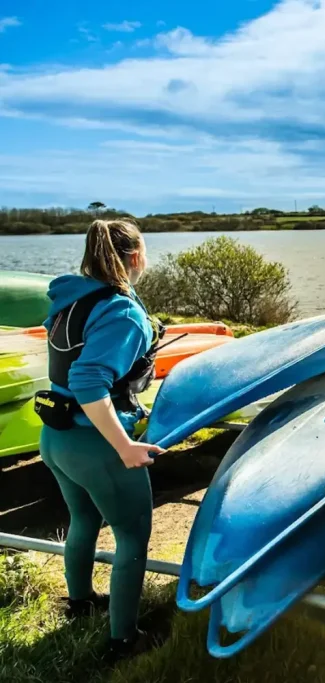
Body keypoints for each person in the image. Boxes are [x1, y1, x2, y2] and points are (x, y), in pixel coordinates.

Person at [35, 219, 166, 660]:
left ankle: (80, 602)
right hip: (97, 445)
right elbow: (88, 379)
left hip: (56, 437)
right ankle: (125, 642)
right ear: (135, 257)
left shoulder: (72, 299)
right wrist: (124, 446)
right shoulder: (121, 310)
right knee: (132, 536)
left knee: (84, 519)